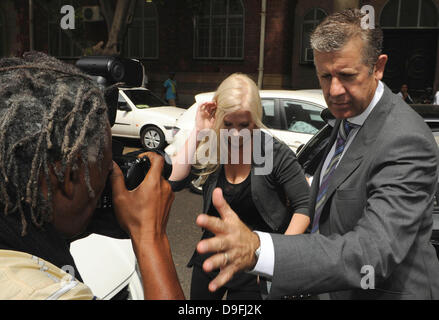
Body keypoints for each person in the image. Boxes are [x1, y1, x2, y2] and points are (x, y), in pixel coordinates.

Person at [195, 9, 439, 299]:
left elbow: (373, 251)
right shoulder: (348, 118)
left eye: (347, 76)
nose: (334, 90)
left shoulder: (405, 139)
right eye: (325, 76)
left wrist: (262, 251)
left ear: (378, 67)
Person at [0, 52, 184, 300]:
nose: (110, 182)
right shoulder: (44, 294)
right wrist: (150, 235)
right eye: (108, 169)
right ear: (70, 178)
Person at [168, 73, 311, 299]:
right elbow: (174, 180)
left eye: (244, 125)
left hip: (254, 262)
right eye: (228, 124)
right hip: (212, 257)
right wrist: (199, 131)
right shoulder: (213, 145)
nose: (235, 134)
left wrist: (277, 259)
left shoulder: (272, 152)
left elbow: (304, 205)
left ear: (255, 118)